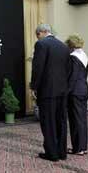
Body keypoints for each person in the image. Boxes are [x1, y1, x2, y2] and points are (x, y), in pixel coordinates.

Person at [30, 24, 70, 161]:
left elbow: (38, 68)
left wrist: (34, 87)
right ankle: (62, 152)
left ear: (42, 32)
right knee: (61, 121)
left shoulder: (41, 44)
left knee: (48, 122)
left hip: (47, 90)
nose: (37, 37)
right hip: (62, 90)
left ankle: (51, 154)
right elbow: (68, 70)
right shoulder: (64, 46)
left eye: (37, 35)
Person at [65, 34, 88, 156]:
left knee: (75, 120)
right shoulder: (84, 56)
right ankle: (83, 147)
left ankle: (78, 148)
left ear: (71, 45)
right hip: (84, 90)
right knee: (82, 120)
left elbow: (72, 78)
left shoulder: (73, 57)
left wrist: (66, 92)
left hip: (74, 92)